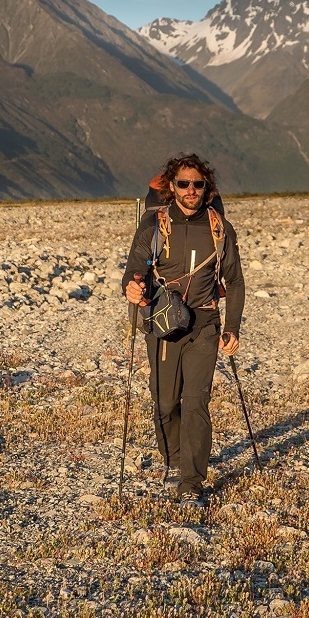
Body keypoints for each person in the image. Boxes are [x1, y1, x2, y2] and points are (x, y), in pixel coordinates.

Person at [123, 153, 245, 507]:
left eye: (198, 184)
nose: (191, 190)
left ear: (206, 188)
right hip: (163, 324)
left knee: (196, 402)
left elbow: (234, 282)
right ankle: (175, 457)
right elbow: (136, 270)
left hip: (206, 324)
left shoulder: (220, 228)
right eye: (183, 184)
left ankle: (191, 481)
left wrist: (232, 327)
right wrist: (132, 289)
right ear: (171, 188)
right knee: (164, 403)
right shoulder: (154, 228)